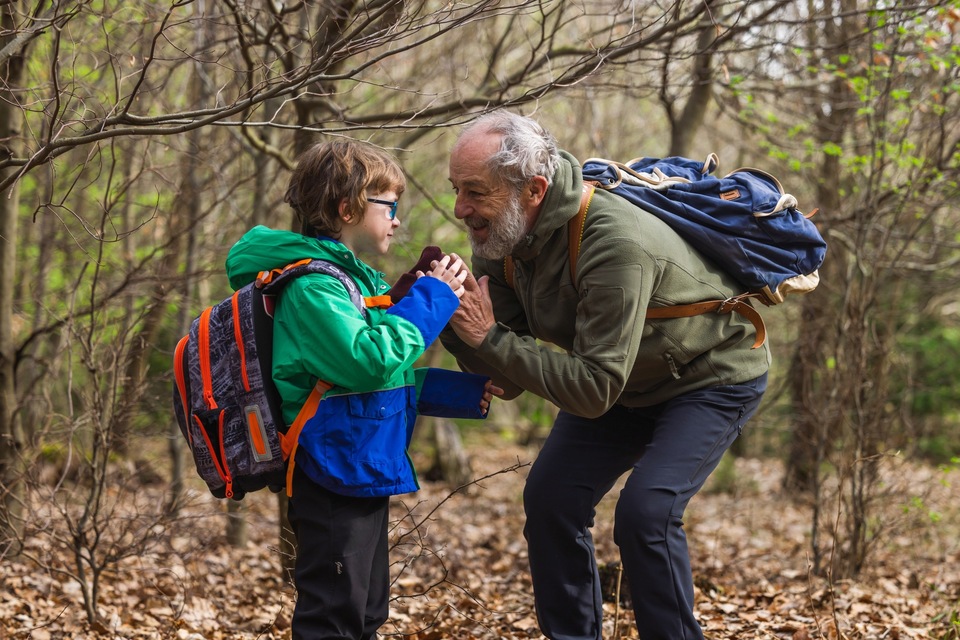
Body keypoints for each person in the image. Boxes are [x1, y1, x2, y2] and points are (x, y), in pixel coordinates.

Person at [440, 111, 770, 640]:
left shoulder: (612, 241)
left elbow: (591, 390)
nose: (461, 209)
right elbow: (508, 381)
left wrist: (489, 337)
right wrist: (455, 323)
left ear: (534, 189)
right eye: (457, 190)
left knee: (647, 514)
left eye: (475, 192)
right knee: (550, 499)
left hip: (709, 377)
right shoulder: (504, 246)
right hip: (622, 381)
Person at [225, 139, 501, 640]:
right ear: (347, 208)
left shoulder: (352, 285)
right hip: (330, 470)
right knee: (333, 618)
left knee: (366, 614)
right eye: (389, 206)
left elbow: (371, 384)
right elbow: (369, 363)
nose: (396, 220)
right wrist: (431, 296)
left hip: (362, 466)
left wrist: (462, 393)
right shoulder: (314, 289)